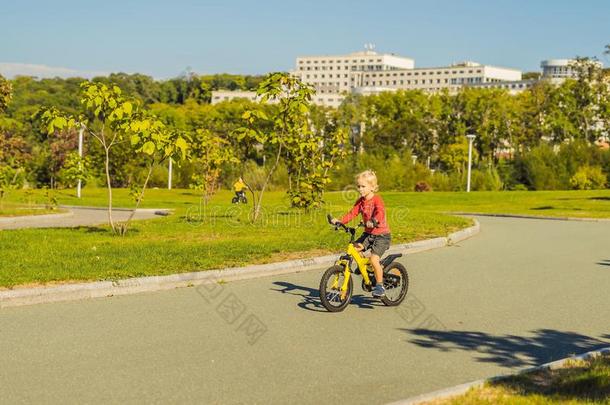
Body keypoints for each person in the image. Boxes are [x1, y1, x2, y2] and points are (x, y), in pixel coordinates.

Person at [331, 170, 391, 297]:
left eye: (363, 186)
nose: (360, 189)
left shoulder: (377, 200)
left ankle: (380, 286)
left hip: (381, 235)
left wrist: (374, 220)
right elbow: (352, 213)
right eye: (358, 186)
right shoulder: (360, 201)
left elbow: (380, 213)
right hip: (368, 234)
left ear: (373, 187)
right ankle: (366, 269)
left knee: (374, 259)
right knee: (354, 249)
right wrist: (340, 221)